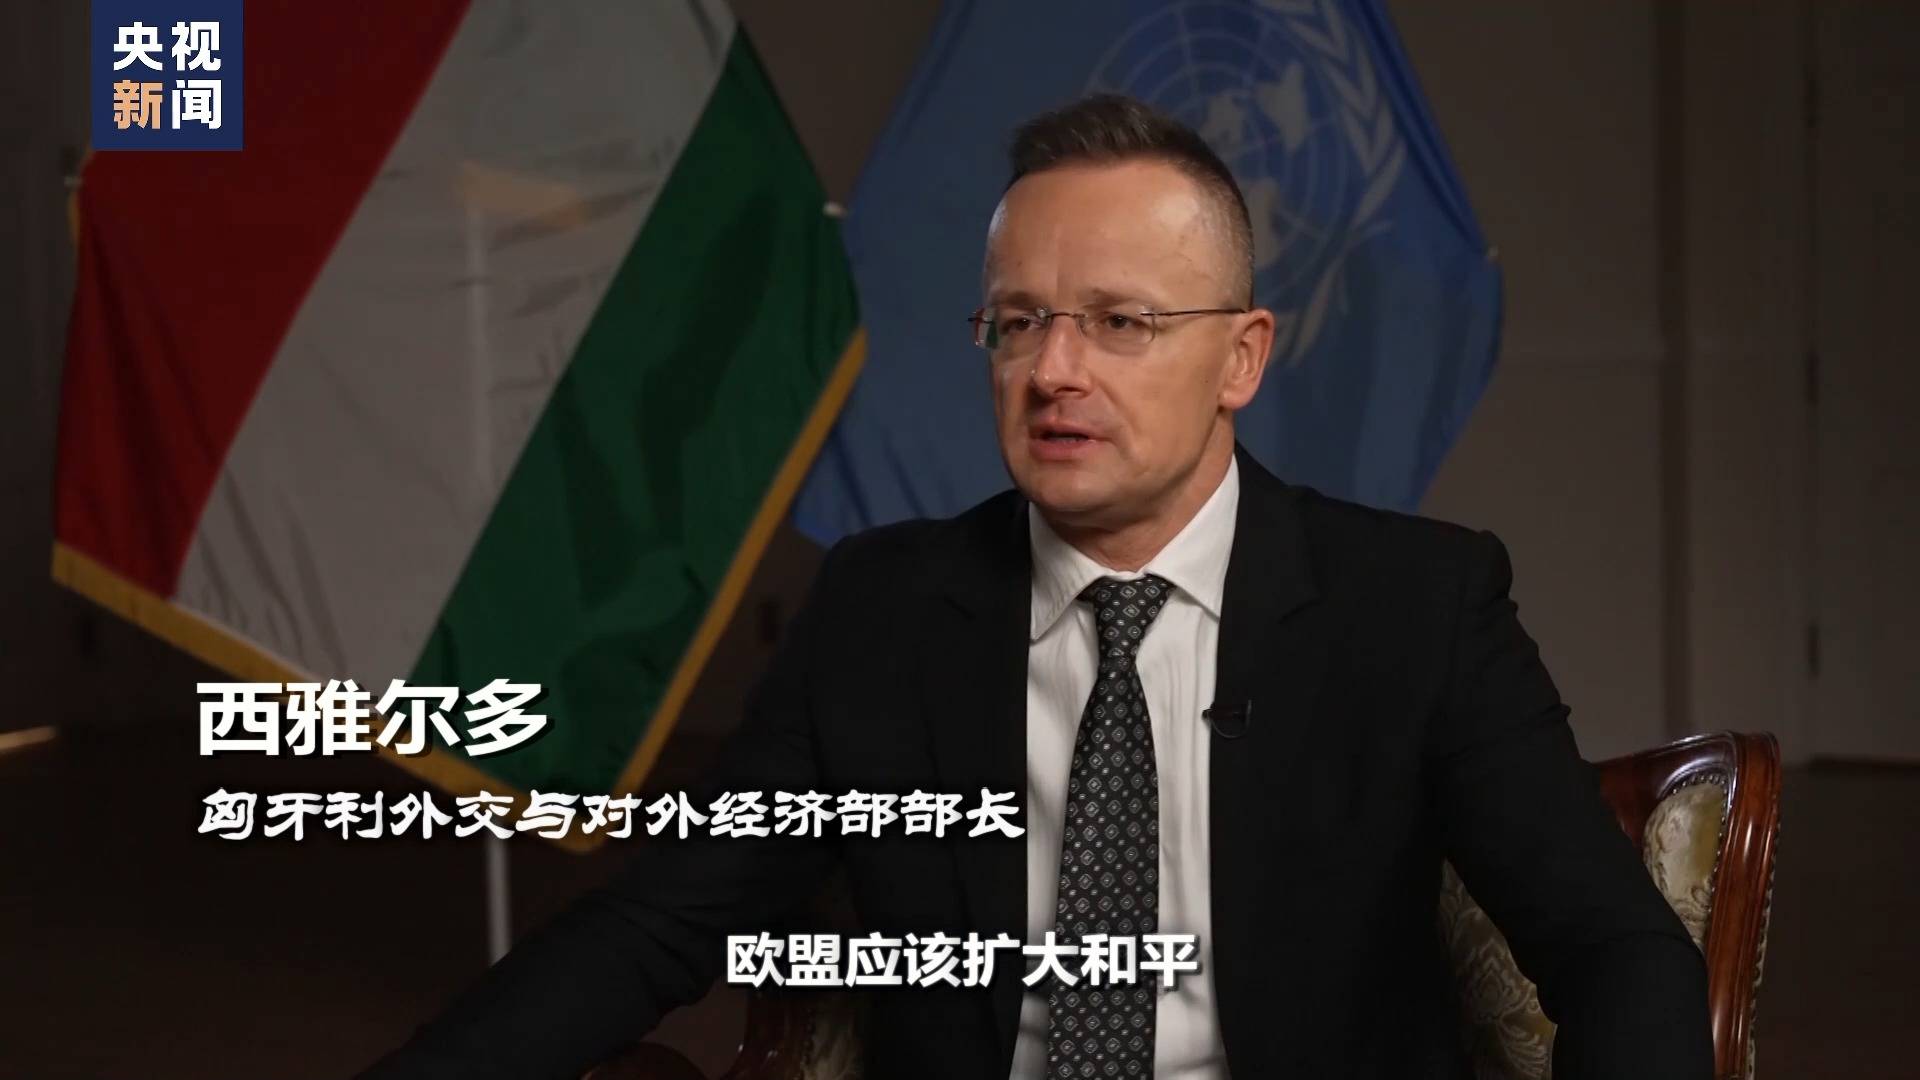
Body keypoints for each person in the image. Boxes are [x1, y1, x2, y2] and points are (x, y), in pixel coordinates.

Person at [357, 94, 1711, 1080]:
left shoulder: (1416, 604)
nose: (1054, 371)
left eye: (1122, 322)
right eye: (1018, 323)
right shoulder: (881, 610)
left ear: (1241, 358)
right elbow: (658, 925)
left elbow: (1616, 952)